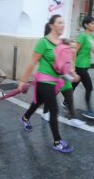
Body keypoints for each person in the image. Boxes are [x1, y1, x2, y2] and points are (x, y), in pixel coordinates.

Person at [18, 14, 74, 153]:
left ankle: (25, 118)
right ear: (51, 25)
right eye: (59, 23)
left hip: (55, 80)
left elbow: (63, 61)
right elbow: (32, 63)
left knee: (37, 103)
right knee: (54, 110)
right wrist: (22, 81)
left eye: (63, 23)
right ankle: (57, 141)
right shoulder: (43, 42)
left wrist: (72, 73)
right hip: (44, 80)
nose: (62, 25)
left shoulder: (61, 42)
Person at [70, 16, 94, 119]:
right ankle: (89, 110)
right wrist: (72, 67)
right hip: (80, 66)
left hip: (85, 66)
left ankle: (65, 100)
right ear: (86, 25)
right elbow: (74, 51)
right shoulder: (83, 36)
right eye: (92, 23)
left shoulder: (91, 37)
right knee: (89, 88)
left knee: (74, 84)